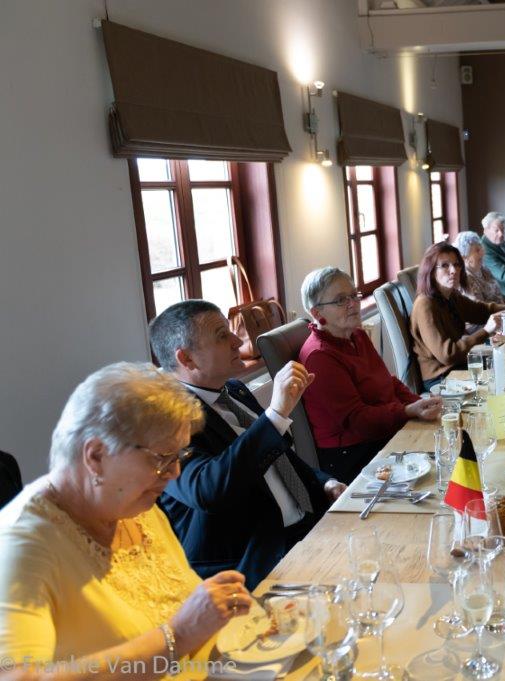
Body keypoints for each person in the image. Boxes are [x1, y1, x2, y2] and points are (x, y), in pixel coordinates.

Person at [0, 362, 252, 676]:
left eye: (179, 456)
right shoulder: (23, 545)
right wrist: (177, 637)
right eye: (162, 458)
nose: (174, 473)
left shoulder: (134, 508)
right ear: (95, 456)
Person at [150, 300, 344, 590]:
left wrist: (323, 482)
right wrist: (275, 415)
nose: (237, 341)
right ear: (186, 358)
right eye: (221, 336)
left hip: (308, 528)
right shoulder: (164, 419)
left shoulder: (233, 390)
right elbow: (207, 489)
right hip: (251, 563)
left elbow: (276, 457)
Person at [298, 267, 443, 484]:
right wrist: (407, 411)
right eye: (341, 300)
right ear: (317, 313)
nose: (353, 304)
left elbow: (388, 382)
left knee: (450, 442)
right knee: (441, 466)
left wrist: (420, 403)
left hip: (383, 432)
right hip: (354, 454)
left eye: (353, 295)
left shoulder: (357, 335)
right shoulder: (319, 357)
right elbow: (358, 421)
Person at [410, 242, 505, 389]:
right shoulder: (425, 304)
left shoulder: (450, 295)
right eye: (445, 265)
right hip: (442, 377)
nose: (453, 270)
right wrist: (485, 331)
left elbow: (479, 310)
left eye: (456, 264)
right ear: (431, 271)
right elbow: (447, 354)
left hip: (459, 366)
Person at [453, 230, 505, 305]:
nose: (482, 252)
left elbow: (499, 296)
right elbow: (481, 308)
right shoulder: (466, 278)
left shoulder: (483, 269)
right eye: (477, 250)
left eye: (481, 248)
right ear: (464, 257)